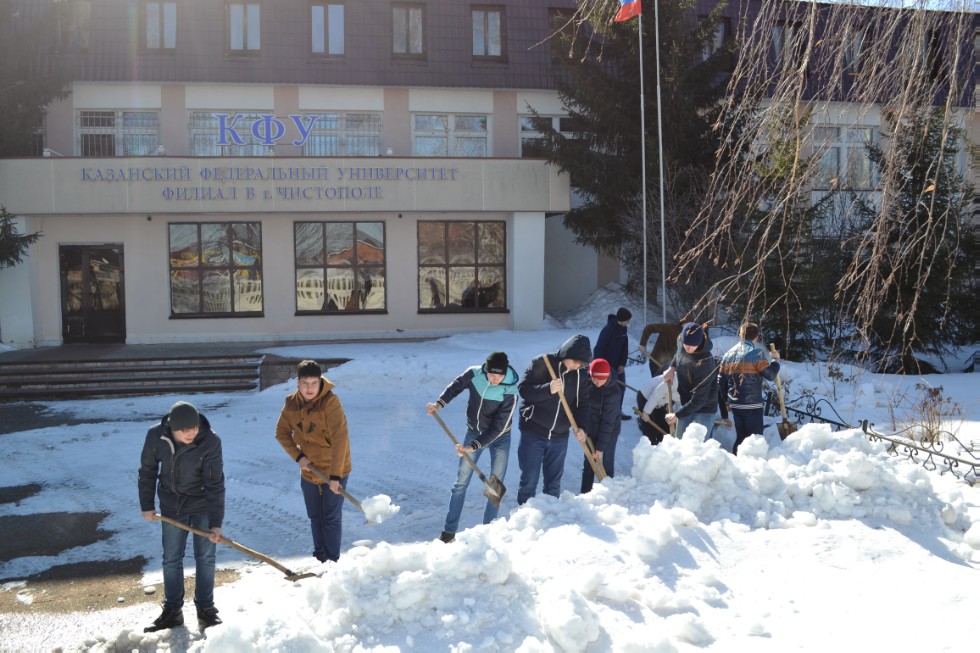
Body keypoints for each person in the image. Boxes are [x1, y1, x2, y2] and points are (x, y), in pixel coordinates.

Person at [138, 401, 225, 632]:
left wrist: (216, 524)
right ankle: (173, 611)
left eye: (194, 428)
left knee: (205, 557)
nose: (191, 433)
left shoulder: (211, 442)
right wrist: (147, 505)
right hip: (172, 504)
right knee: (172, 558)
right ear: (172, 428)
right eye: (184, 430)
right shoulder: (156, 437)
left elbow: (215, 484)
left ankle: (206, 610)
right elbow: (147, 471)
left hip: (202, 504)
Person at [426, 351, 519, 543]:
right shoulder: (474, 374)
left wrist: (474, 446)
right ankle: (448, 532)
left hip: (500, 437)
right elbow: (455, 387)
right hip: (474, 432)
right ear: (485, 370)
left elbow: (499, 426)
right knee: (460, 483)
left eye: (499, 375)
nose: (495, 379)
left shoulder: (510, 390)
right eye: (492, 375)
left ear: (505, 373)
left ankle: (488, 532)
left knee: (495, 486)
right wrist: (439, 404)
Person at [275, 360, 352, 564]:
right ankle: (320, 557)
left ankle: (332, 561)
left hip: (334, 470)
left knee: (331, 518)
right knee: (315, 516)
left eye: (313, 383)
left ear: (320, 382)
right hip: (309, 470)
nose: (309, 388)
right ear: (298, 383)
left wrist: (335, 477)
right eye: (305, 383)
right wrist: (299, 457)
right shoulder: (292, 404)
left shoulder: (330, 403)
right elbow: (281, 432)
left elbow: (340, 438)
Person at [516, 333, 592, 504]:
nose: (577, 366)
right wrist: (547, 389)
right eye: (575, 362)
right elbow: (524, 390)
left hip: (559, 436)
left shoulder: (580, 375)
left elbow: (583, 405)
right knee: (529, 480)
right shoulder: (542, 363)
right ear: (567, 354)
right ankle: (522, 520)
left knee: (553, 484)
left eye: (581, 364)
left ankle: (549, 519)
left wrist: (582, 427)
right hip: (534, 432)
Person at [718, 322, 781, 454]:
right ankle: (753, 467)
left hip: (736, 405)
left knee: (741, 438)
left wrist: (726, 400)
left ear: (741, 336)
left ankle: (736, 463)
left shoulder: (728, 355)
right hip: (752, 405)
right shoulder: (756, 353)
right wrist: (775, 361)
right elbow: (770, 375)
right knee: (755, 440)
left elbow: (721, 380)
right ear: (756, 337)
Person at [663, 322, 719, 438]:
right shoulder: (682, 341)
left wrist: (677, 415)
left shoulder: (705, 363)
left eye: (692, 345)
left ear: (699, 343)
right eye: (686, 344)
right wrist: (672, 368)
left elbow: (699, 399)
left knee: (697, 448)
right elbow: (678, 354)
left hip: (704, 408)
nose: (688, 348)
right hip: (687, 403)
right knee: (680, 443)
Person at [580, 358, 621, 493]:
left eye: (600, 380)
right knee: (589, 463)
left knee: (606, 461)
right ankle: (585, 493)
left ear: (607, 377)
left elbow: (608, 423)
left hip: (609, 431)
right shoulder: (586, 381)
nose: (596, 382)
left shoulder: (613, 393)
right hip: (590, 429)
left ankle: (608, 493)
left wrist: (600, 448)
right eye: (594, 379)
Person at [593, 307, 632, 420]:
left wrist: (622, 364)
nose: (628, 322)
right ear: (622, 319)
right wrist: (600, 367)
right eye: (627, 320)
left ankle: (617, 411)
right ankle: (603, 413)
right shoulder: (608, 330)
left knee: (621, 387)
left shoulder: (623, 330)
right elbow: (598, 349)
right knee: (606, 390)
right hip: (607, 366)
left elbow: (625, 349)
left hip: (618, 366)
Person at [634, 372, 672, 445]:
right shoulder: (672, 379)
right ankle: (651, 449)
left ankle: (663, 447)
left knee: (665, 425)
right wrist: (646, 412)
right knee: (650, 427)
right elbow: (655, 396)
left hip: (661, 400)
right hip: (646, 396)